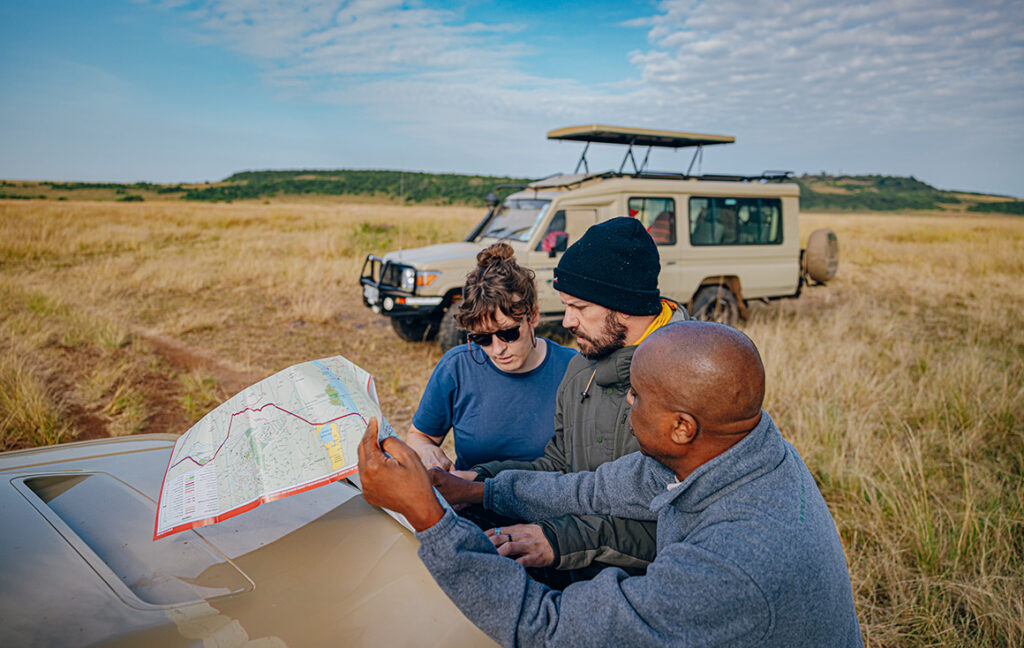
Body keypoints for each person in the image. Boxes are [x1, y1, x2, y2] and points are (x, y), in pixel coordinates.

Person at [358, 321, 863, 647]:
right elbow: (590, 490)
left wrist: (429, 517)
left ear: (681, 426)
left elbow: (549, 629)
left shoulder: (733, 561)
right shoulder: (739, 447)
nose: (626, 404)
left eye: (637, 396)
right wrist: (475, 490)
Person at [462, 216, 687, 581]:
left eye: (579, 307)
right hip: (572, 577)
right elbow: (558, 466)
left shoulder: (692, 381)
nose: (566, 321)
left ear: (623, 305)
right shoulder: (580, 370)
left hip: (644, 595)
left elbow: (678, 526)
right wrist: (478, 480)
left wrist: (559, 540)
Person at [406, 242, 576, 472]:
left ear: (533, 316)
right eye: (482, 339)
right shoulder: (456, 367)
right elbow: (419, 436)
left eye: (508, 333)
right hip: (470, 502)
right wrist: (426, 450)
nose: (497, 350)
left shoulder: (572, 368)